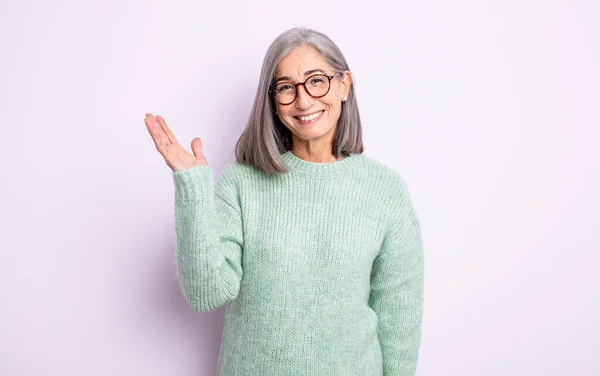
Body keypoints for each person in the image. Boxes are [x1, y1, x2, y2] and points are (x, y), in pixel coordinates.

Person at [144, 27, 424, 376]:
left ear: (344, 85)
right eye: (287, 88)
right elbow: (206, 293)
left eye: (316, 80)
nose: (304, 101)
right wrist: (193, 188)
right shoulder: (243, 182)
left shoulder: (385, 191)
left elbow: (399, 318)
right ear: (273, 102)